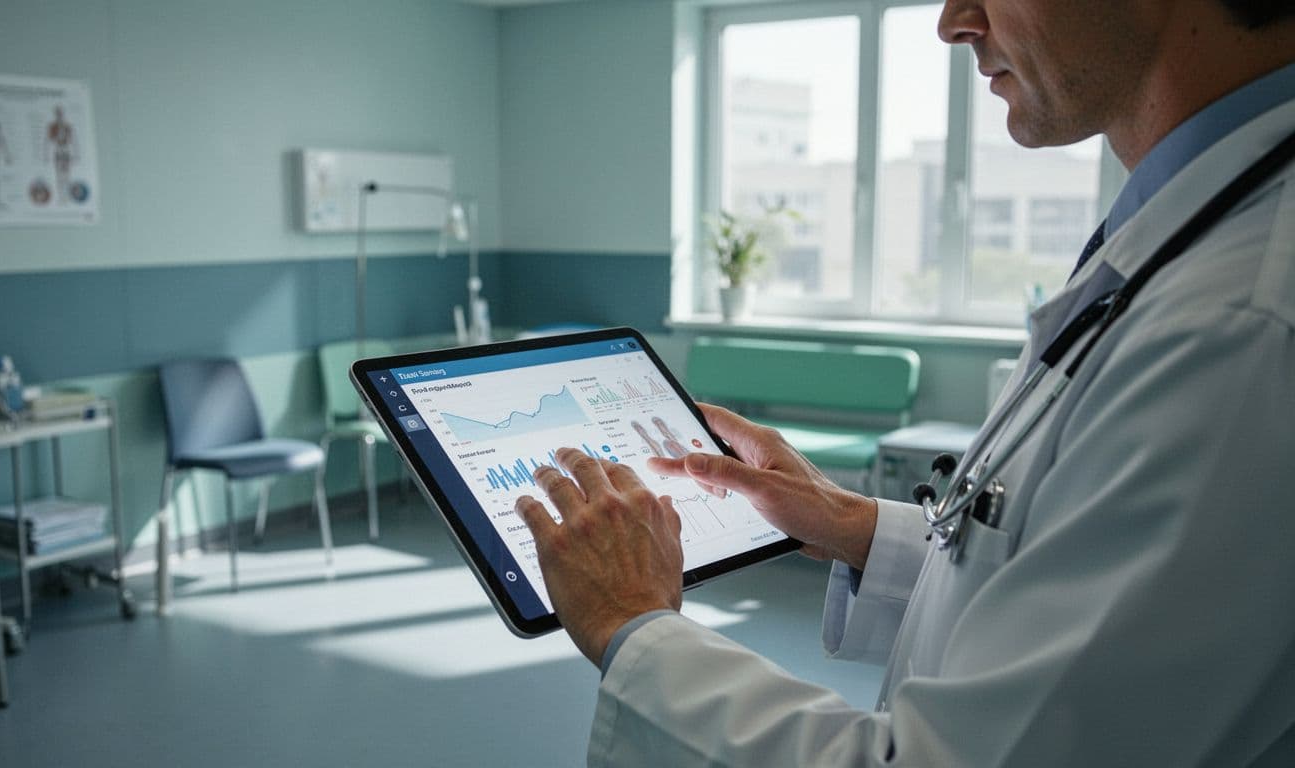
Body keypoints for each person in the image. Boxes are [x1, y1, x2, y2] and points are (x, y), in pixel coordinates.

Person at [515, 0, 1295, 764]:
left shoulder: (1238, 328)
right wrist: (851, 524)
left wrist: (633, 622)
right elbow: (1057, 578)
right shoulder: (1188, 232)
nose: (954, 20)